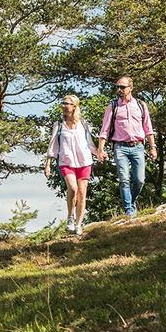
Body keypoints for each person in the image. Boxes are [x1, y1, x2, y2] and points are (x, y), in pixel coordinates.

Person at [94, 76, 157, 218]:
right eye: (118, 87)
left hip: (138, 147)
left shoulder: (141, 105)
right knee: (124, 179)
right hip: (120, 147)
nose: (119, 90)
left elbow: (148, 128)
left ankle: (132, 201)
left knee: (140, 180)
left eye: (122, 87)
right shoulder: (113, 106)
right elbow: (104, 129)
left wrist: (152, 147)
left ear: (131, 88)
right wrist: (100, 149)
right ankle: (129, 210)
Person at [44, 94, 95, 234]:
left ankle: (79, 224)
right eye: (63, 103)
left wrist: (99, 153)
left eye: (67, 103)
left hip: (84, 162)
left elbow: (90, 144)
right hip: (66, 162)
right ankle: (70, 217)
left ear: (74, 106)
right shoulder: (59, 125)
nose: (64, 106)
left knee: (82, 193)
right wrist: (48, 164)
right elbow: (53, 146)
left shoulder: (83, 124)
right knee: (73, 189)